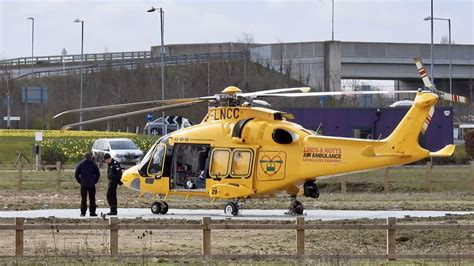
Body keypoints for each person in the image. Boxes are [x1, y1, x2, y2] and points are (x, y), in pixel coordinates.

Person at [75, 152, 100, 217]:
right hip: (91, 184)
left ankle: (83, 212)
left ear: (84, 157)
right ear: (90, 157)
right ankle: (92, 212)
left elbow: (76, 174)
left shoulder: (80, 164)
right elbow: (98, 174)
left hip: (84, 184)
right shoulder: (93, 164)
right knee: (92, 198)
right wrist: (95, 181)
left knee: (83, 198)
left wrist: (80, 181)